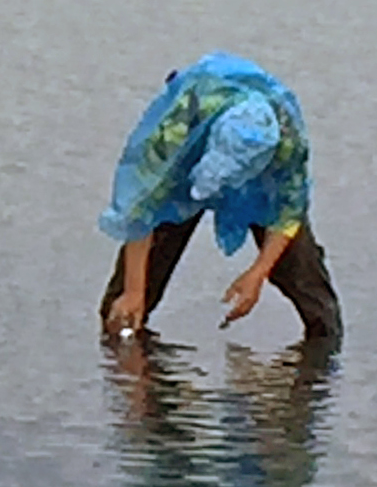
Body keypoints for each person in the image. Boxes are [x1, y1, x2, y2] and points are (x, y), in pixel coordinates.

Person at [98, 52, 341, 343]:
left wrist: (257, 274)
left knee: (305, 276)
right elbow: (143, 208)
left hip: (266, 179)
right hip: (185, 163)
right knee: (129, 297)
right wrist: (134, 290)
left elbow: (289, 211)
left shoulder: (287, 144)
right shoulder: (176, 130)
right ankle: (126, 357)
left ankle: (323, 356)